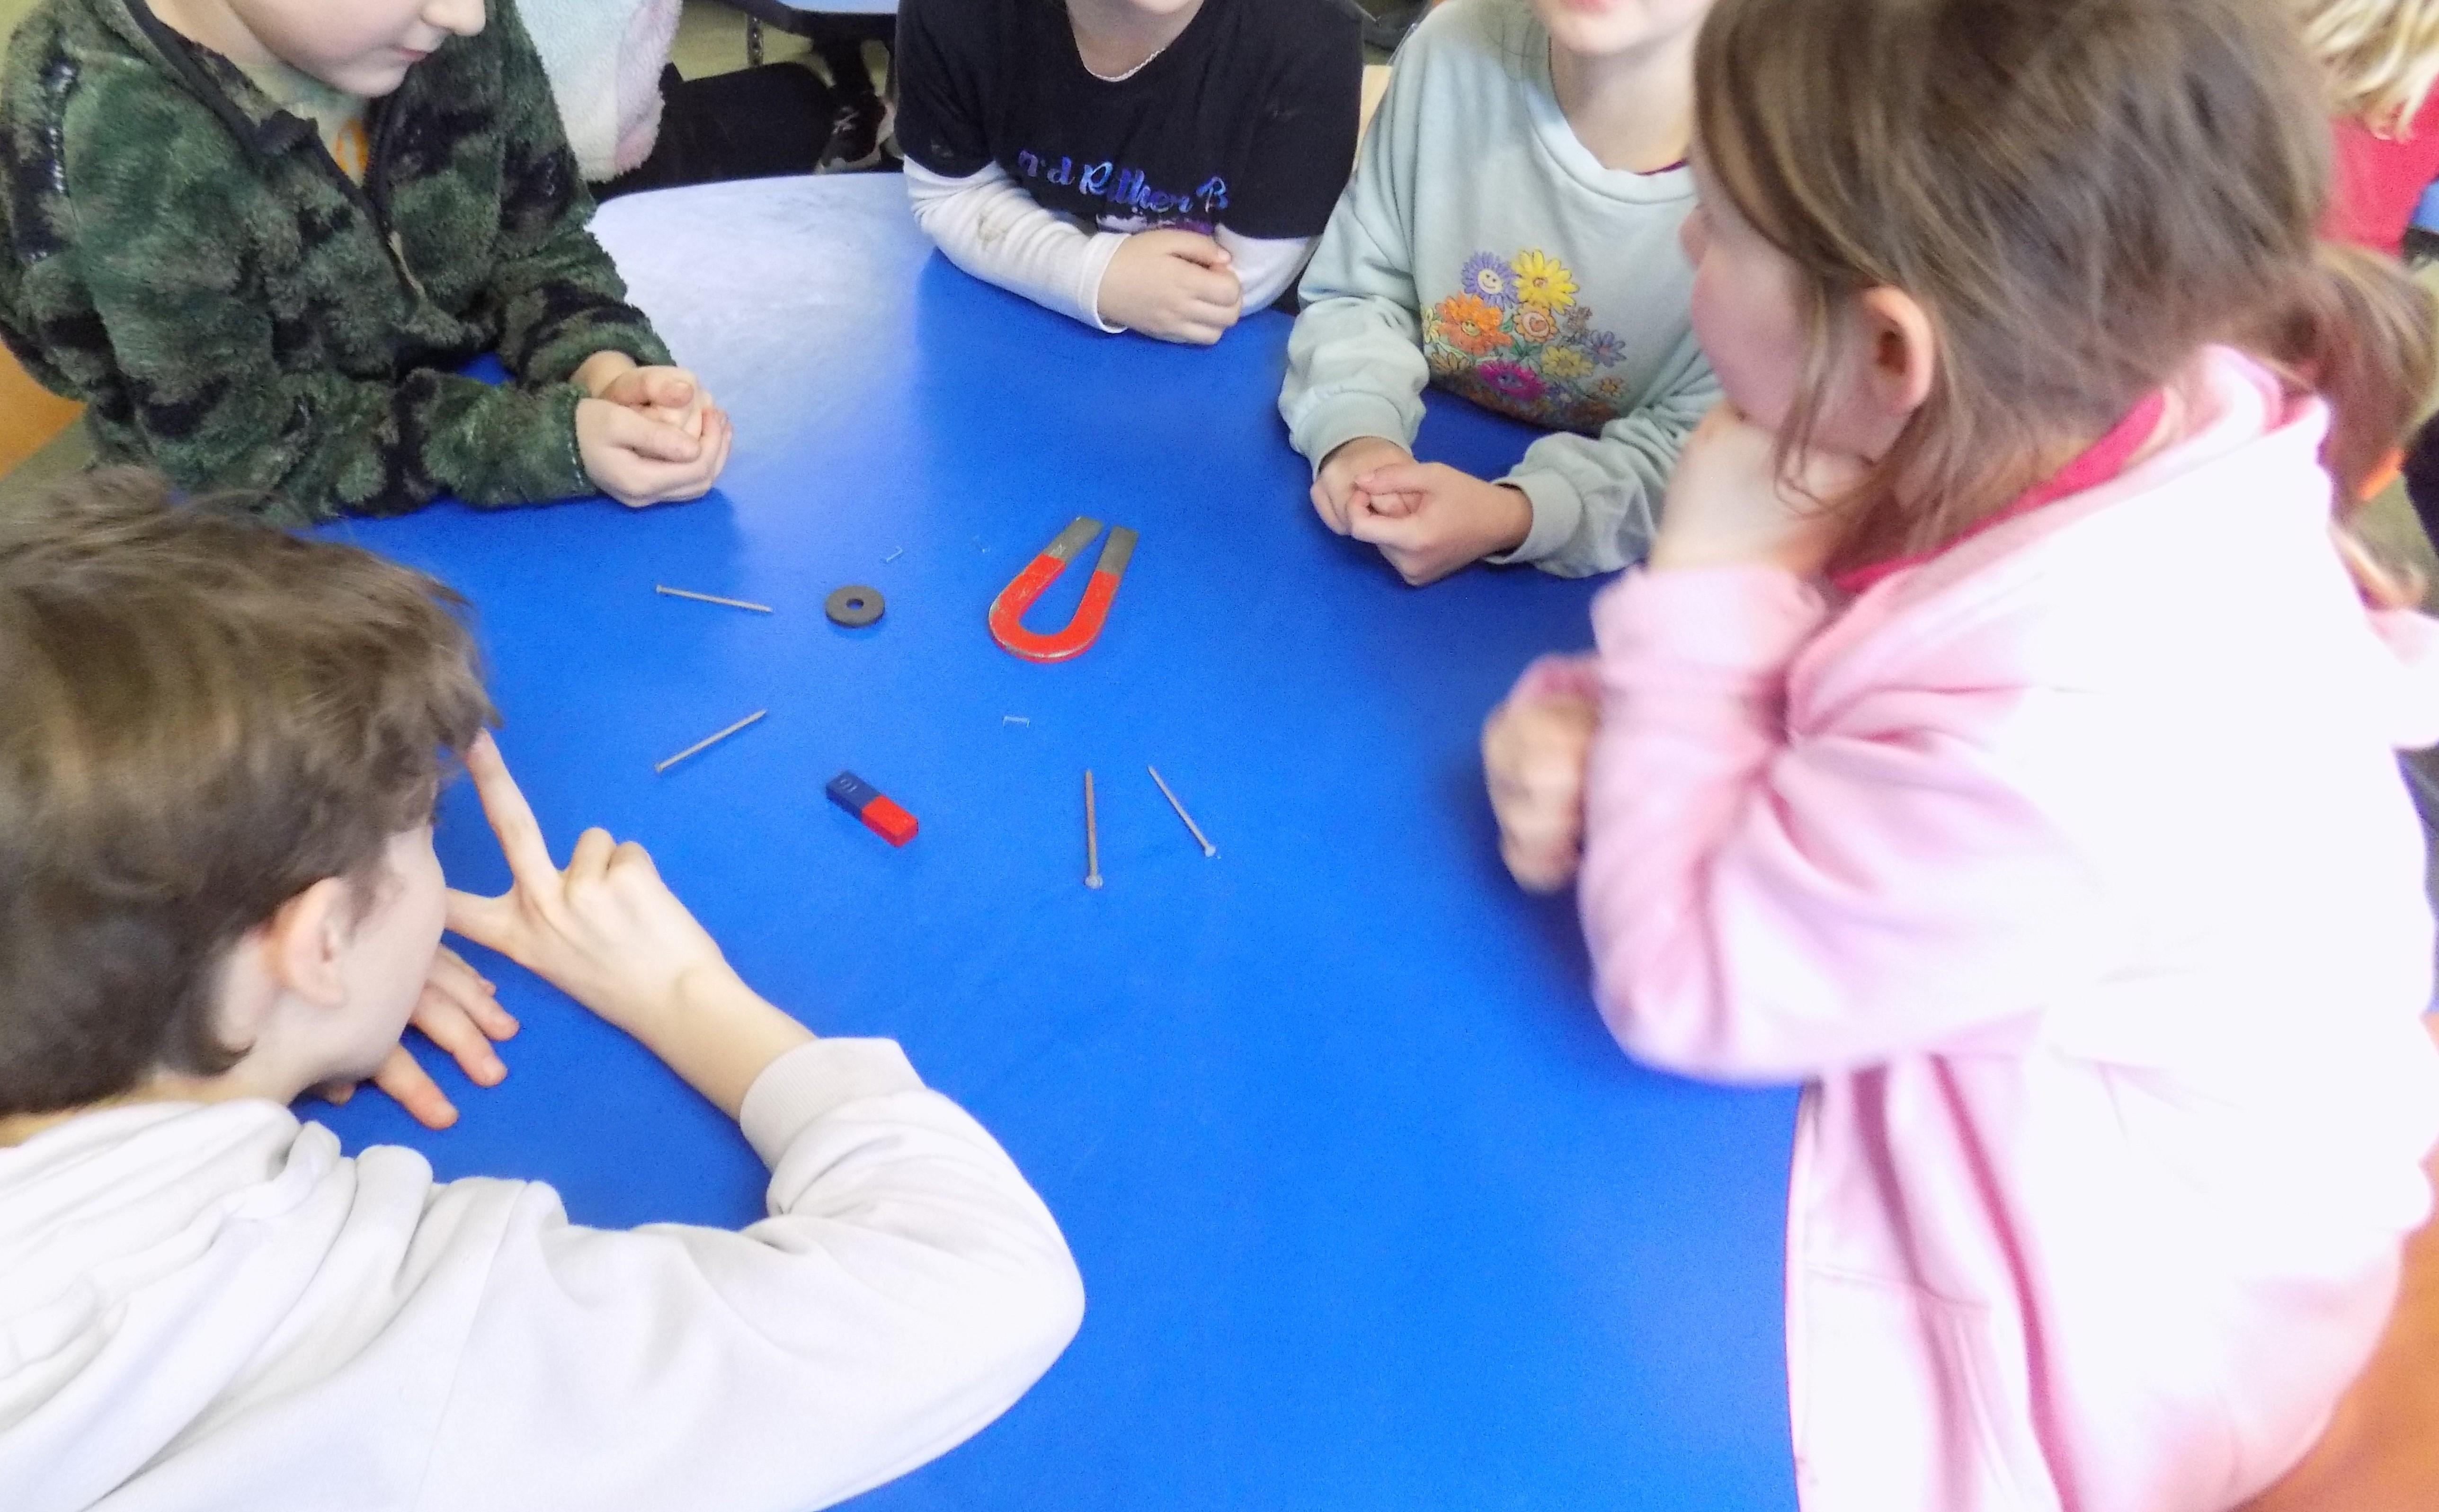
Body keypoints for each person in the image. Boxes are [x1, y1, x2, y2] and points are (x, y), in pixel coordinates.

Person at [1479, 0, 2439, 1504]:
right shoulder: (2075, 386)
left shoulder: (2078, 735)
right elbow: (1862, 683)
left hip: (2105, 1360)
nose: (1686, 244)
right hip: (2089, 1116)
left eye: (1715, 222)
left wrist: (1705, 580)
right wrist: (1614, 707)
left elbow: (1683, 979)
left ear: (1887, 346)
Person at [0, 472, 1084, 1508]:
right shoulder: (385, 1364)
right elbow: (980, 1280)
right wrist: (683, 990)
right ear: (315, 941)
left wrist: (249, 1002)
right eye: (426, 834)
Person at [0, 0, 730, 520]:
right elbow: (239, 456)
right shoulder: (117, 136)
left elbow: (538, 241)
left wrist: (601, 366)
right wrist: (537, 441)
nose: (468, 17)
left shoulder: (434, 23)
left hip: (448, 447)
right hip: (239, 541)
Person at [1279, 0, 1717, 585]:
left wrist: (1519, 514)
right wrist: (1358, 437)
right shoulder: (1452, 47)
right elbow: (1360, 292)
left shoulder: (1784, 169)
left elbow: (1709, 453)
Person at [893, 0, 1363, 345]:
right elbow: (949, 193)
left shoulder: (1311, 36)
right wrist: (1095, 276)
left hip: (1212, 369)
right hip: (1007, 339)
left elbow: (1240, 282)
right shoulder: (957, 15)